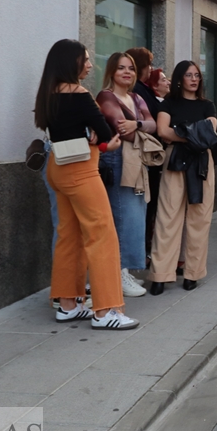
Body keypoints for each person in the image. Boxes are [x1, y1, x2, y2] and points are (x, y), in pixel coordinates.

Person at [33, 38, 138, 330]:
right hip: (81, 171)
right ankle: (106, 311)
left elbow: (73, 132)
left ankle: (67, 304)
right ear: (72, 63)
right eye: (86, 60)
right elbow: (107, 135)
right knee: (103, 236)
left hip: (57, 167)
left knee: (69, 235)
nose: (90, 65)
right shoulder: (79, 94)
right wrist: (105, 141)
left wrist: (95, 137)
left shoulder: (48, 93)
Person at [148, 61, 217, 295]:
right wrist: (191, 134)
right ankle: (160, 274)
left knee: (200, 217)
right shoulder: (169, 102)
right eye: (189, 75)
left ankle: (193, 273)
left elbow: (209, 133)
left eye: (197, 75)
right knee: (168, 215)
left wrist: (181, 131)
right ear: (179, 78)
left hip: (201, 160)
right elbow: (162, 131)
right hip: (176, 159)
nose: (194, 79)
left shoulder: (207, 105)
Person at [96, 52, 156, 298]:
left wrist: (138, 125)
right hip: (117, 160)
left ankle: (125, 270)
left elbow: (152, 125)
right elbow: (122, 128)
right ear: (111, 71)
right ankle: (117, 272)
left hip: (136, 161)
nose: (127, 72)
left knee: (136, 216)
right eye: (121, 68)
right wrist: (139, 126)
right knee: (122, 217)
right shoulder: (106, 96)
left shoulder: (135, 97)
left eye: (130, 68)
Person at [127, 47, 162, 260]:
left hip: (148, 155)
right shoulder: (138, 91)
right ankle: (141, 253)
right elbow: (150, 124)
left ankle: (144, 251)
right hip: (142, 156)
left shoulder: (143, 90)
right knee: (144, 207)